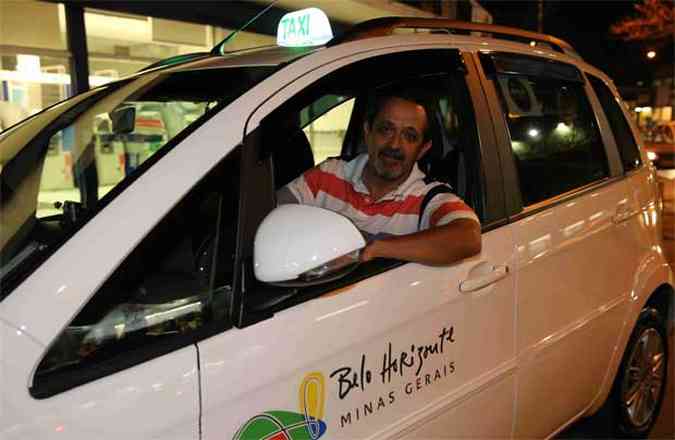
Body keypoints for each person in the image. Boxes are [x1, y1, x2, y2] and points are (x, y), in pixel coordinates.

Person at [277, 87, 481, 266]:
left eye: (409, 136)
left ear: (422, 150)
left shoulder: (429, 198)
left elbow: (468, 237)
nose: (394, 145)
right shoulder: (329, 174)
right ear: (368, 132)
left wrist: (374, 247)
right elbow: (267, 217)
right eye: (386, 130)